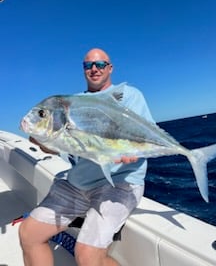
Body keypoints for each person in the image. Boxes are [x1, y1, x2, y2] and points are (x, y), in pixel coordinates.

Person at [19, 48, 155, 266]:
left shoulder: (130, 95)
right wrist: (40, 139)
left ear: (110, 68)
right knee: (29, 234)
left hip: (120, 184)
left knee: (87, 255)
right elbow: (60, 148)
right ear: (83, 70)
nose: (94, 69)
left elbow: (140, 136)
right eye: (88, 65)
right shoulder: (73, 103)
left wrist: (134, 152)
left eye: (100, 64)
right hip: (77, 183)